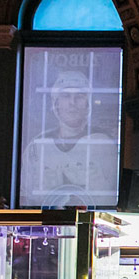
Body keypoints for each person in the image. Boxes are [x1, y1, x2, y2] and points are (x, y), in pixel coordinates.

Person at [20, 70, 116, 206]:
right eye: (66, 96)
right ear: (56, 102)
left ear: (88, 102)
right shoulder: (37, 147)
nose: (72, 102)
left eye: (79, 96)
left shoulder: (103, 144)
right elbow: (26, 198)